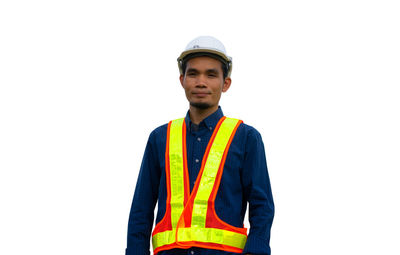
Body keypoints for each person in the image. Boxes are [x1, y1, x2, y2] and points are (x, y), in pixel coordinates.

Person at [125, 36, 274, 255]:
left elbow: (262, 207)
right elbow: (141, 209)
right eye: (193, 73)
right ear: (182, 79)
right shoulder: (160, 138)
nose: (201, 82)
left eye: (211, 74)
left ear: (226, 83)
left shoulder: (246, 138)